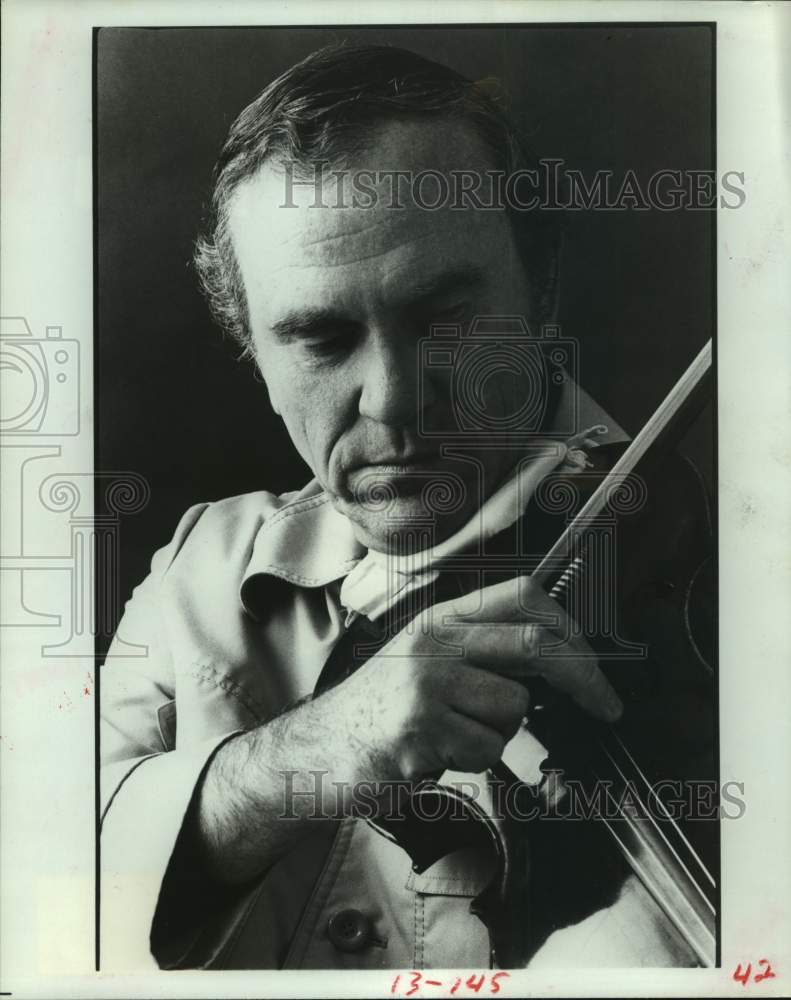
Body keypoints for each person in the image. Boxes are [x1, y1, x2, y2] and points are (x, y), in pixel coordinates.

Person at [100, 43, 715, 970]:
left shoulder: (717, 564)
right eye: (320, 337)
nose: (390, 400)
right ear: (255, 356)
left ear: (538, 289)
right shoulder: (202, 571)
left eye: (445, 319)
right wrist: (308, 752)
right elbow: (38, 890)